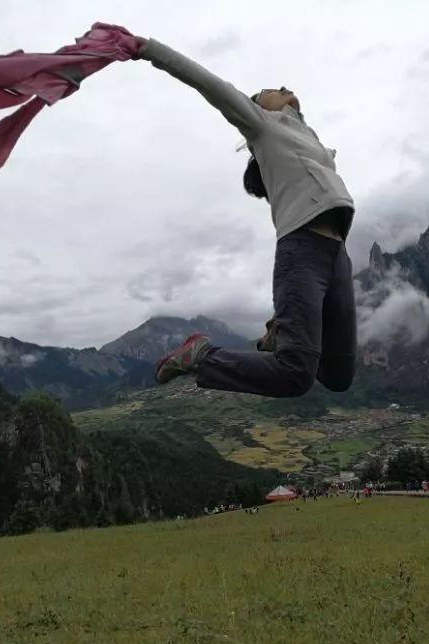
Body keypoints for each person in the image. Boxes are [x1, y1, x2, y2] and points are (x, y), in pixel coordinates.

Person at [132, 38, 356, 397]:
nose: (283, 88)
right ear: (257, 109)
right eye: (271, 90)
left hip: (337, 255)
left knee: (339, 375)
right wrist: (146, 48)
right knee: (295, 376)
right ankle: (201, 355)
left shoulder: (307, 138)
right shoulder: (263, 128)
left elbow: (317, 155)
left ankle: (282, 332)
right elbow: (208, 83)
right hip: (303, 251)